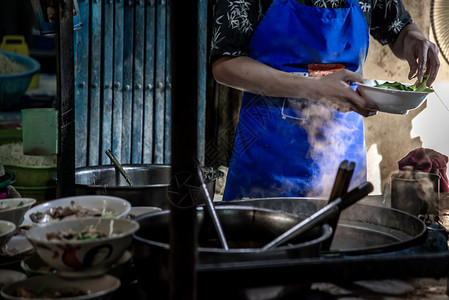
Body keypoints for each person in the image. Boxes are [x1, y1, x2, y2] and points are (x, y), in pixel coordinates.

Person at [210, 0, 440, 201]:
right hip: (268, 154)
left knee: (344, 240)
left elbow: (399, 29)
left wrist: (415, 39)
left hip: (342, 157)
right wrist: (314, 88)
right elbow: (225, 64)